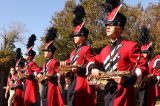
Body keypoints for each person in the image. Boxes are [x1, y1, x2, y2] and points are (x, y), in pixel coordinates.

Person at [91, 3, 148, 106]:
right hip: (107, 93)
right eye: (106, 24)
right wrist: (94, 68)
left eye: (111, 24)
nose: (107, 27)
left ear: (120, 28)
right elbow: (93, 61)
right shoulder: (104, 50)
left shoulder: (130, 46)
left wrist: (127, 79)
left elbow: (143, 67)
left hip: (124, 93)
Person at [60, 5, 96, 106]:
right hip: (72, 81)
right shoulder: (73, 52)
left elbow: (91, 63)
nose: (74, 37)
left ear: (83, 37)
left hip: (82, 81)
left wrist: (79, 69)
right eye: (74, 35)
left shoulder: (86, 49)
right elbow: (69, 61)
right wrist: (64, 64)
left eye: (76, 35)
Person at [39, 27, 64, 106]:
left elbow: (59, 74)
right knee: (44, 102)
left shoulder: (54, 62)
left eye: (45, 51)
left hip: (52, 86)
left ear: (50, 52)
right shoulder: (45, 63)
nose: (44, 53)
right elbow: (43, 71)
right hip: (45, 85)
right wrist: (40, 74)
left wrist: (50, 76)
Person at [24, 34, 41, 106]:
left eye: (26, 54)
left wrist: (30, 75)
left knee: (30, 101)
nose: (25, 56)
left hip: (31, 85)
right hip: (27, 84)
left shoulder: (32, 63)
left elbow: (38, 71)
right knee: (26, 101)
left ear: (30, 56)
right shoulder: (27, 64)